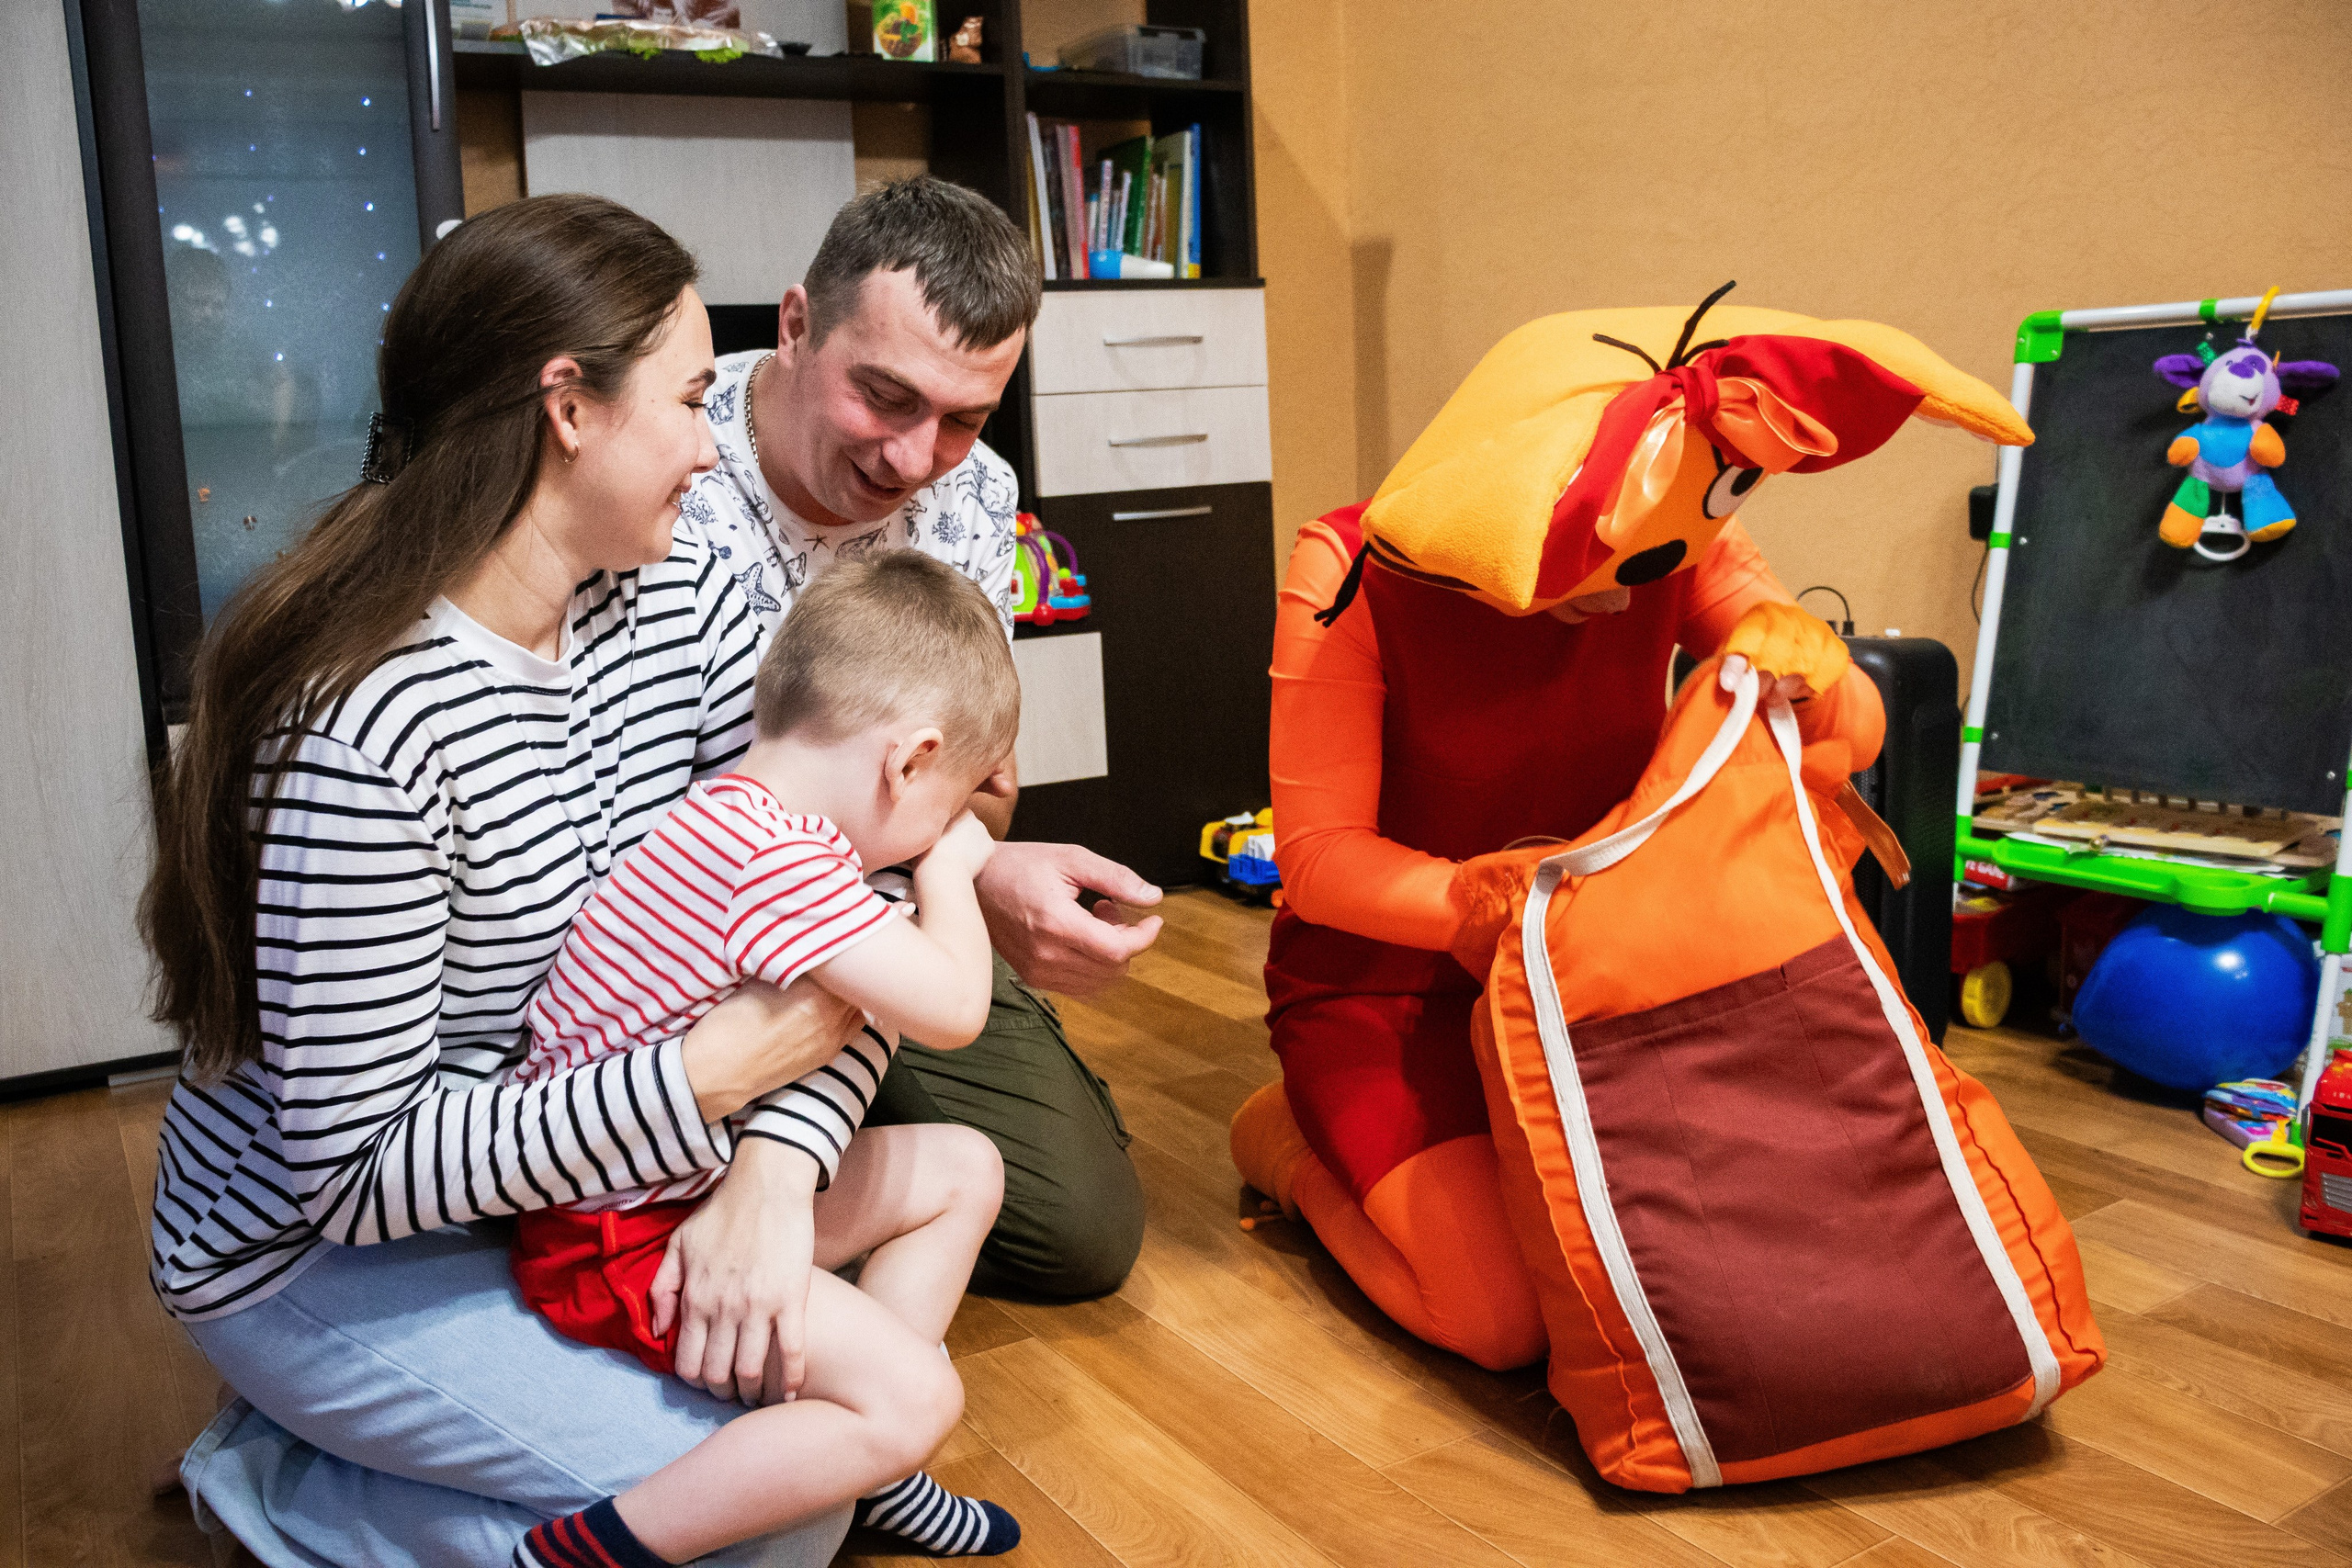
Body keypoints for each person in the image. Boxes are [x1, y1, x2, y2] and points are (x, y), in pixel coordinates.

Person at [143, 194, 874, 1566]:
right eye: (691, 401)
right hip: (319, 1248)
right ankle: (277, 1482)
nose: (712, 452)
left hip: (561, 1191)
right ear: (569, 405)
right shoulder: (367, 728)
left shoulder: (680, 597)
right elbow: (355, 1172)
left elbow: (850, 892)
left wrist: (776, 1168)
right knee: (780, 1514)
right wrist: (704, 1081)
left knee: (815, 1423)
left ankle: (391, 1437)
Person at [671, 175, 1152, 1325]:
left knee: (1080, 1229)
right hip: (675, 940)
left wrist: (980, 872)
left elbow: (976, 793)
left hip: (880, 910)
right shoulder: (670, 462)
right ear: (796, 325)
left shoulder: (976, 498)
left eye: (963, 417)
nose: (913, 457)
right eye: (883, 397)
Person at [507, 553, 1023, 1564]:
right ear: (909, 762)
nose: (943, 829)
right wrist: (955, 869)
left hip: (663, 1192)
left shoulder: (732, 816)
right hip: (618, 1239)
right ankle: (584, 1552)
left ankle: (875, 1470)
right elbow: (955, 1009)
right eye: (951, 800)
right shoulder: (778, 864)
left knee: (967, 1167)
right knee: (921, 1398)